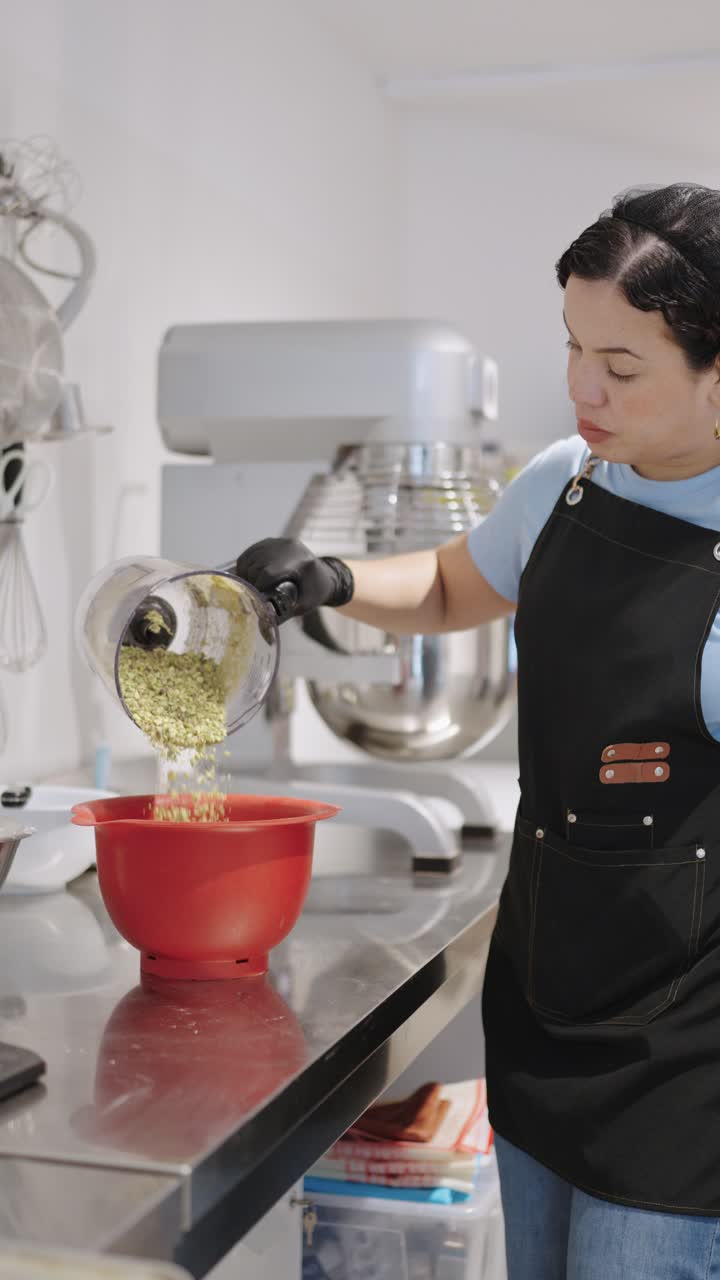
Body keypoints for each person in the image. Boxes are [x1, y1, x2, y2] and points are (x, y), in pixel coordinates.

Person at [235, 182, 720, 1279]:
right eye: (573, 347)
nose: (581, 386)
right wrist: (333, 576)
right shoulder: (565, 482)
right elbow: (460, 582)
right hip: (552, 995)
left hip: (692, 1056)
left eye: (623, 365)